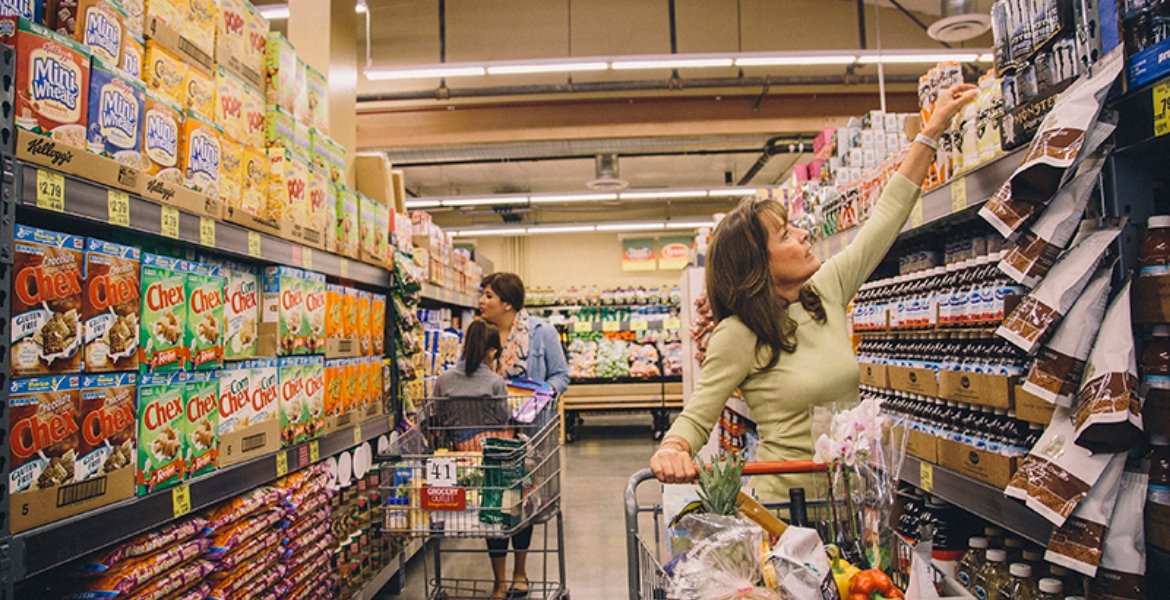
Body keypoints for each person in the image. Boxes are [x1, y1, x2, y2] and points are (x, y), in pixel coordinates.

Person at [650, 84, 979, 501]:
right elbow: (698, 417)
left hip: (852, 503)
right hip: (786, 512)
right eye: (786, 234)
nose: (805, 235)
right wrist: (672, 449)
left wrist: (930, 132)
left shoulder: (824, 291)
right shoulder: (738, 334)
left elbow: (884, 221)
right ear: (759, 265)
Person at [477, 272, 570, 598]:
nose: (482, 301)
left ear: (507, 302)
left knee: (523, 503)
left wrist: (542, 393)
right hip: (488, 434)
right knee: (492, 506)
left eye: (488, 295)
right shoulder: (480, 333)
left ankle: (520, 573)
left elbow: (561, 375)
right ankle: (499, 580)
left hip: (530, 434)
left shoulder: (541, 333)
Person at [432, 319, 510, 452]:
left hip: (456, 445)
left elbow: (438, 414)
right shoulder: (496, 382)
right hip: (490, 449)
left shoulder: (442, 380)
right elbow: (503, 419)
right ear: (492, 352)